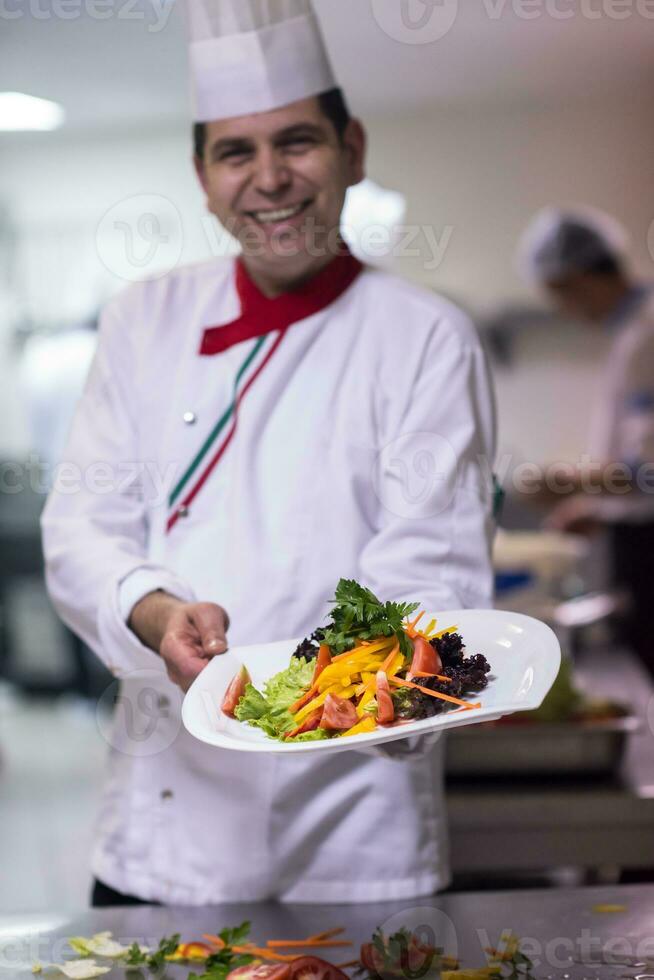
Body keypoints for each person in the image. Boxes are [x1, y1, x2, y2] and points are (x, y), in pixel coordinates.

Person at [42, 0, 496, 906]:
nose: (270, 179)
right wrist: (155, 606)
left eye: (298, 142)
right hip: (161, 835)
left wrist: (289, 703)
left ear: (353, 150)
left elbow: (428, 575)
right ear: (202, 177)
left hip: (352, 833)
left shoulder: (426, 338)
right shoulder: (145, 318)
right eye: (235, 152)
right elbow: (81, 528)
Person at [519, 206, 654, 671]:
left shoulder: (648, 334)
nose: (565, 312)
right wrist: (601, 511)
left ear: (576, 280)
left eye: (560, 297)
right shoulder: (632, 335)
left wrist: (570, 484)